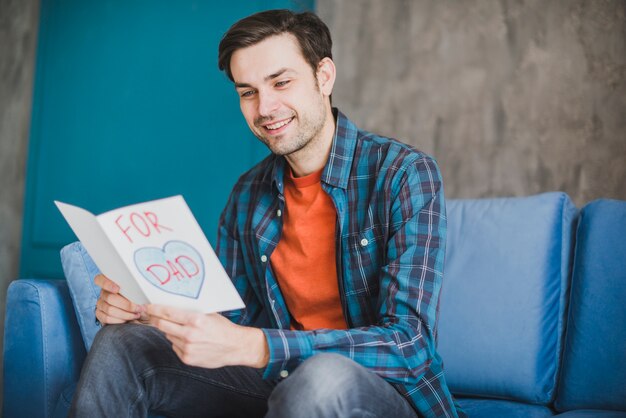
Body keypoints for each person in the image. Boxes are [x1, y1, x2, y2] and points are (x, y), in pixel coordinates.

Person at [70, 9, 465, 418]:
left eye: (281, 82)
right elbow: (225, 321)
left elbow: (410, 344)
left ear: (324, 76)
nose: (265, 107)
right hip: (276, 382)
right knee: (123, 342)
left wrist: (260, 346)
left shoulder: (402, 173)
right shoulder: (248, 194)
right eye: (248, 92)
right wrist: (145, 310)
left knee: (321, 378)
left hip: (384, 397)